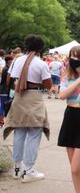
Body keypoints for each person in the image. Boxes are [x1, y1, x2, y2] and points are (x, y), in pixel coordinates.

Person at [3, 34, 52, 182]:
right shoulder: (41, 63)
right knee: (34, 133)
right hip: (34, 98)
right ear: (40, 48)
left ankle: (17, 169)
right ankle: (29, 170)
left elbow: (8, 79)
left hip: (19, 97)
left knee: (19, 132)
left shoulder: (17, 61)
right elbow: (48, 85)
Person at [57, 45, 80, 193]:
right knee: (74, 169)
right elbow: (62, 95)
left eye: (76, 56)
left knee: (77, 166)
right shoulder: (67, 76)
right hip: (70, 117)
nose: (73, 59)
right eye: (71, 56)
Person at [0, 55, 13, 126]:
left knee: (5, 105)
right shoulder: (7, 69)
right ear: (9, 61)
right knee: (3, 106)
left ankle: (2, 120)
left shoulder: (7, 68)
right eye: (12, 60)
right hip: (4, 90)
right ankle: (1, 121)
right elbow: (8, 81)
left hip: (5, 90)